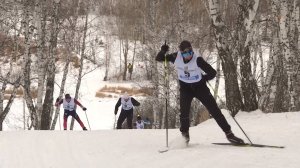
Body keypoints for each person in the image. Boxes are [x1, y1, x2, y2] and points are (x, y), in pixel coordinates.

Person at [156, 40, 244, 144]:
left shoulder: (197, 59)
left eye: (190, 52)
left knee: (214, 110)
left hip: (200, 88)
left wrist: (204, 78)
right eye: (185, 53)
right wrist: (163, 51)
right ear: (181, 53)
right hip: (185, 89)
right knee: (184, 113)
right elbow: (160, 59)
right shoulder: (176, 57)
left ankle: (229, 134)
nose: (188, 55)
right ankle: (185, 136)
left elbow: (212, 73)